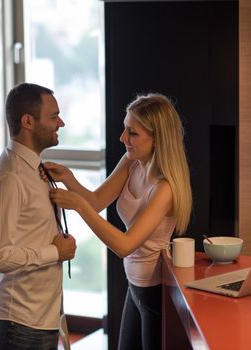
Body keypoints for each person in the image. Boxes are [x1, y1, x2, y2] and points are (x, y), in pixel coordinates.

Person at [42, 93, 192, 350]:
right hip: (135, 285)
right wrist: (69, 178)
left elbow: (125, 245)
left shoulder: (165, 189)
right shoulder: (132, 163)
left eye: (132, 133)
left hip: (154, 291)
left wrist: (78, 206)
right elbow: (98, 200)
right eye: (125, 129)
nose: (123, 138)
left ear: (156, 138)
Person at [0, 82, 77, 350]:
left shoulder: (36, 170)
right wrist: (54, 252)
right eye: (54, 116)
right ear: (28, 121)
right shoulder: (8, 177)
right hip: (17, 324)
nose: (61, 123)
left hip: (41, 318)